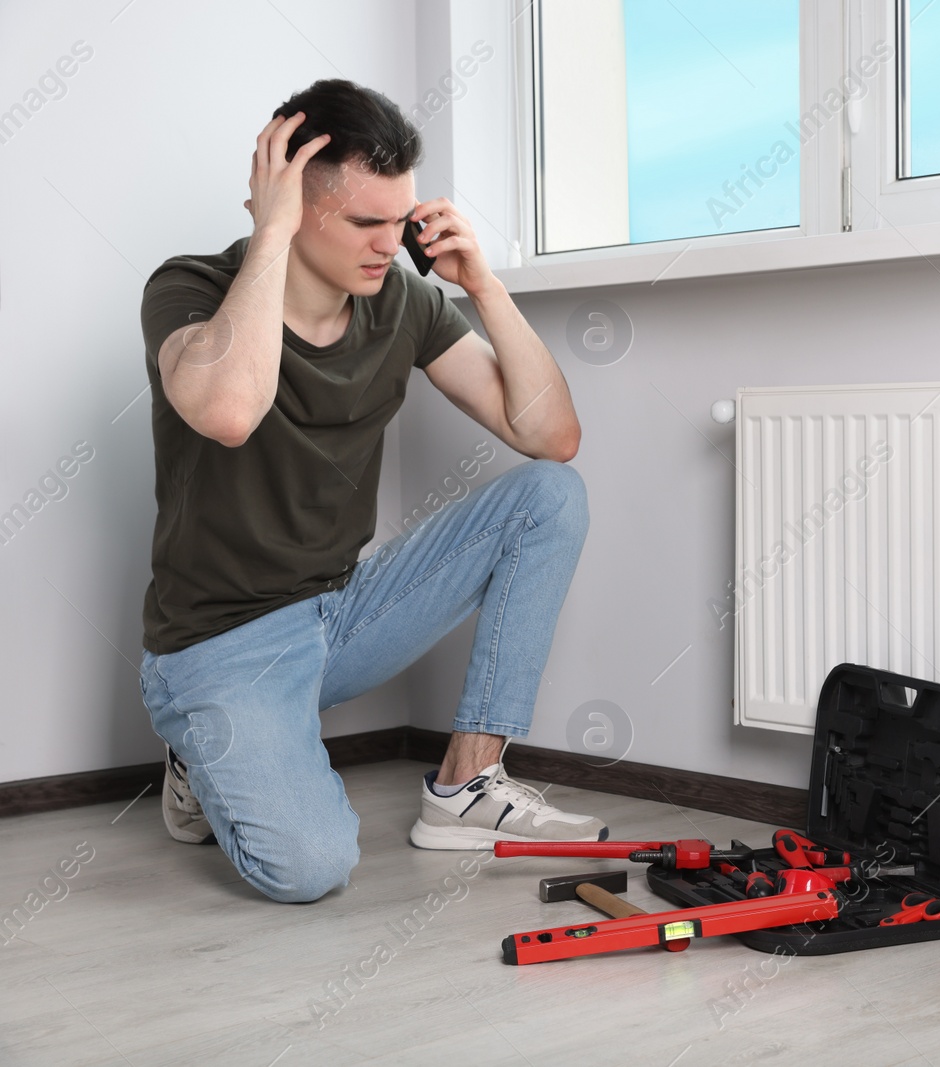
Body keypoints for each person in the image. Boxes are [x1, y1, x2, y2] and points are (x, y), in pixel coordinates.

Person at [136, 79, 605, 904]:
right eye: (364, 222)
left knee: (550, 495)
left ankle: (467, 783)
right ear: (292, 198)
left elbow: (550, 436)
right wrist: (270, 233)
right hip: (221, 644)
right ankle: (199, 746)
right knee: (312, 868)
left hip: (341, 613)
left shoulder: (403, 302)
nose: (391, 243)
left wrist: (483, 286)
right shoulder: (190, 289)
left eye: (401, 219)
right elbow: (230, 411)